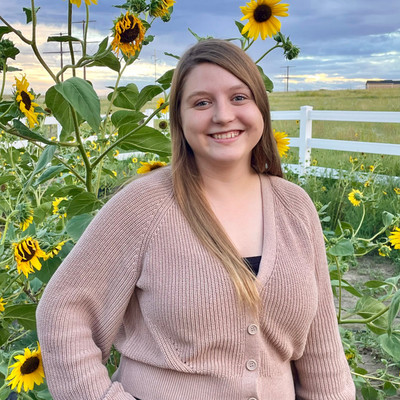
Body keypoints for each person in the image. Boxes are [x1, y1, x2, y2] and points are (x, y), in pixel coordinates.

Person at [36, 39, 356, 400]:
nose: (223, 115)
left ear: (260, 110)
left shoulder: (295, 206)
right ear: (180, 119)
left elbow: (322, 352)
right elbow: (64, 313)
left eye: (239, 97)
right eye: (202, 102)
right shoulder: (144, 206)